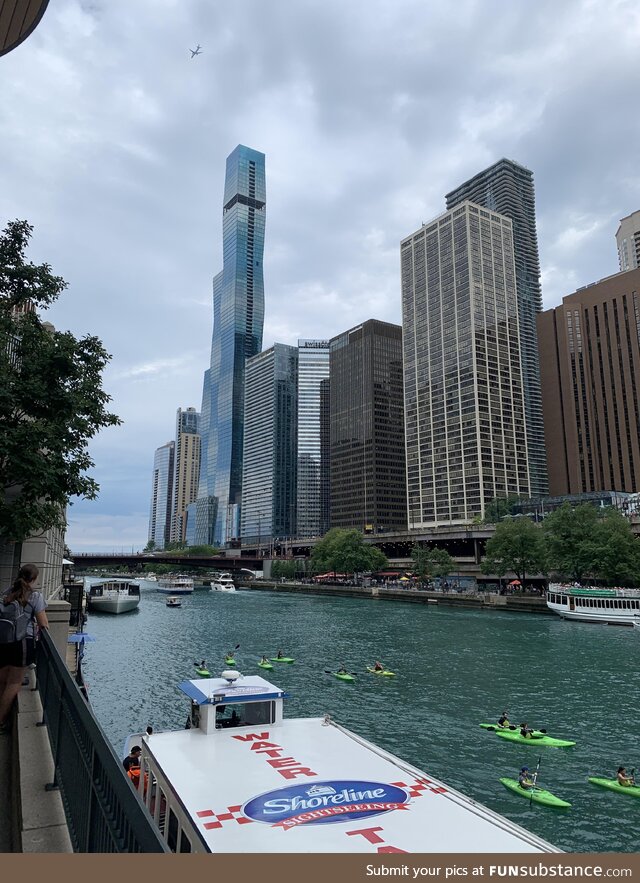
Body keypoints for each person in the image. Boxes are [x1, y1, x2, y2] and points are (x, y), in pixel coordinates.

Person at [0, 564, 48, 735]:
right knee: (14, 682)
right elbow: (43, 623)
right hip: (21, 643)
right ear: (34, 579)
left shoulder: (6, 592)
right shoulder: (34, 596)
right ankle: (1, 721)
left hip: (3, 641)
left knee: (3, 680)